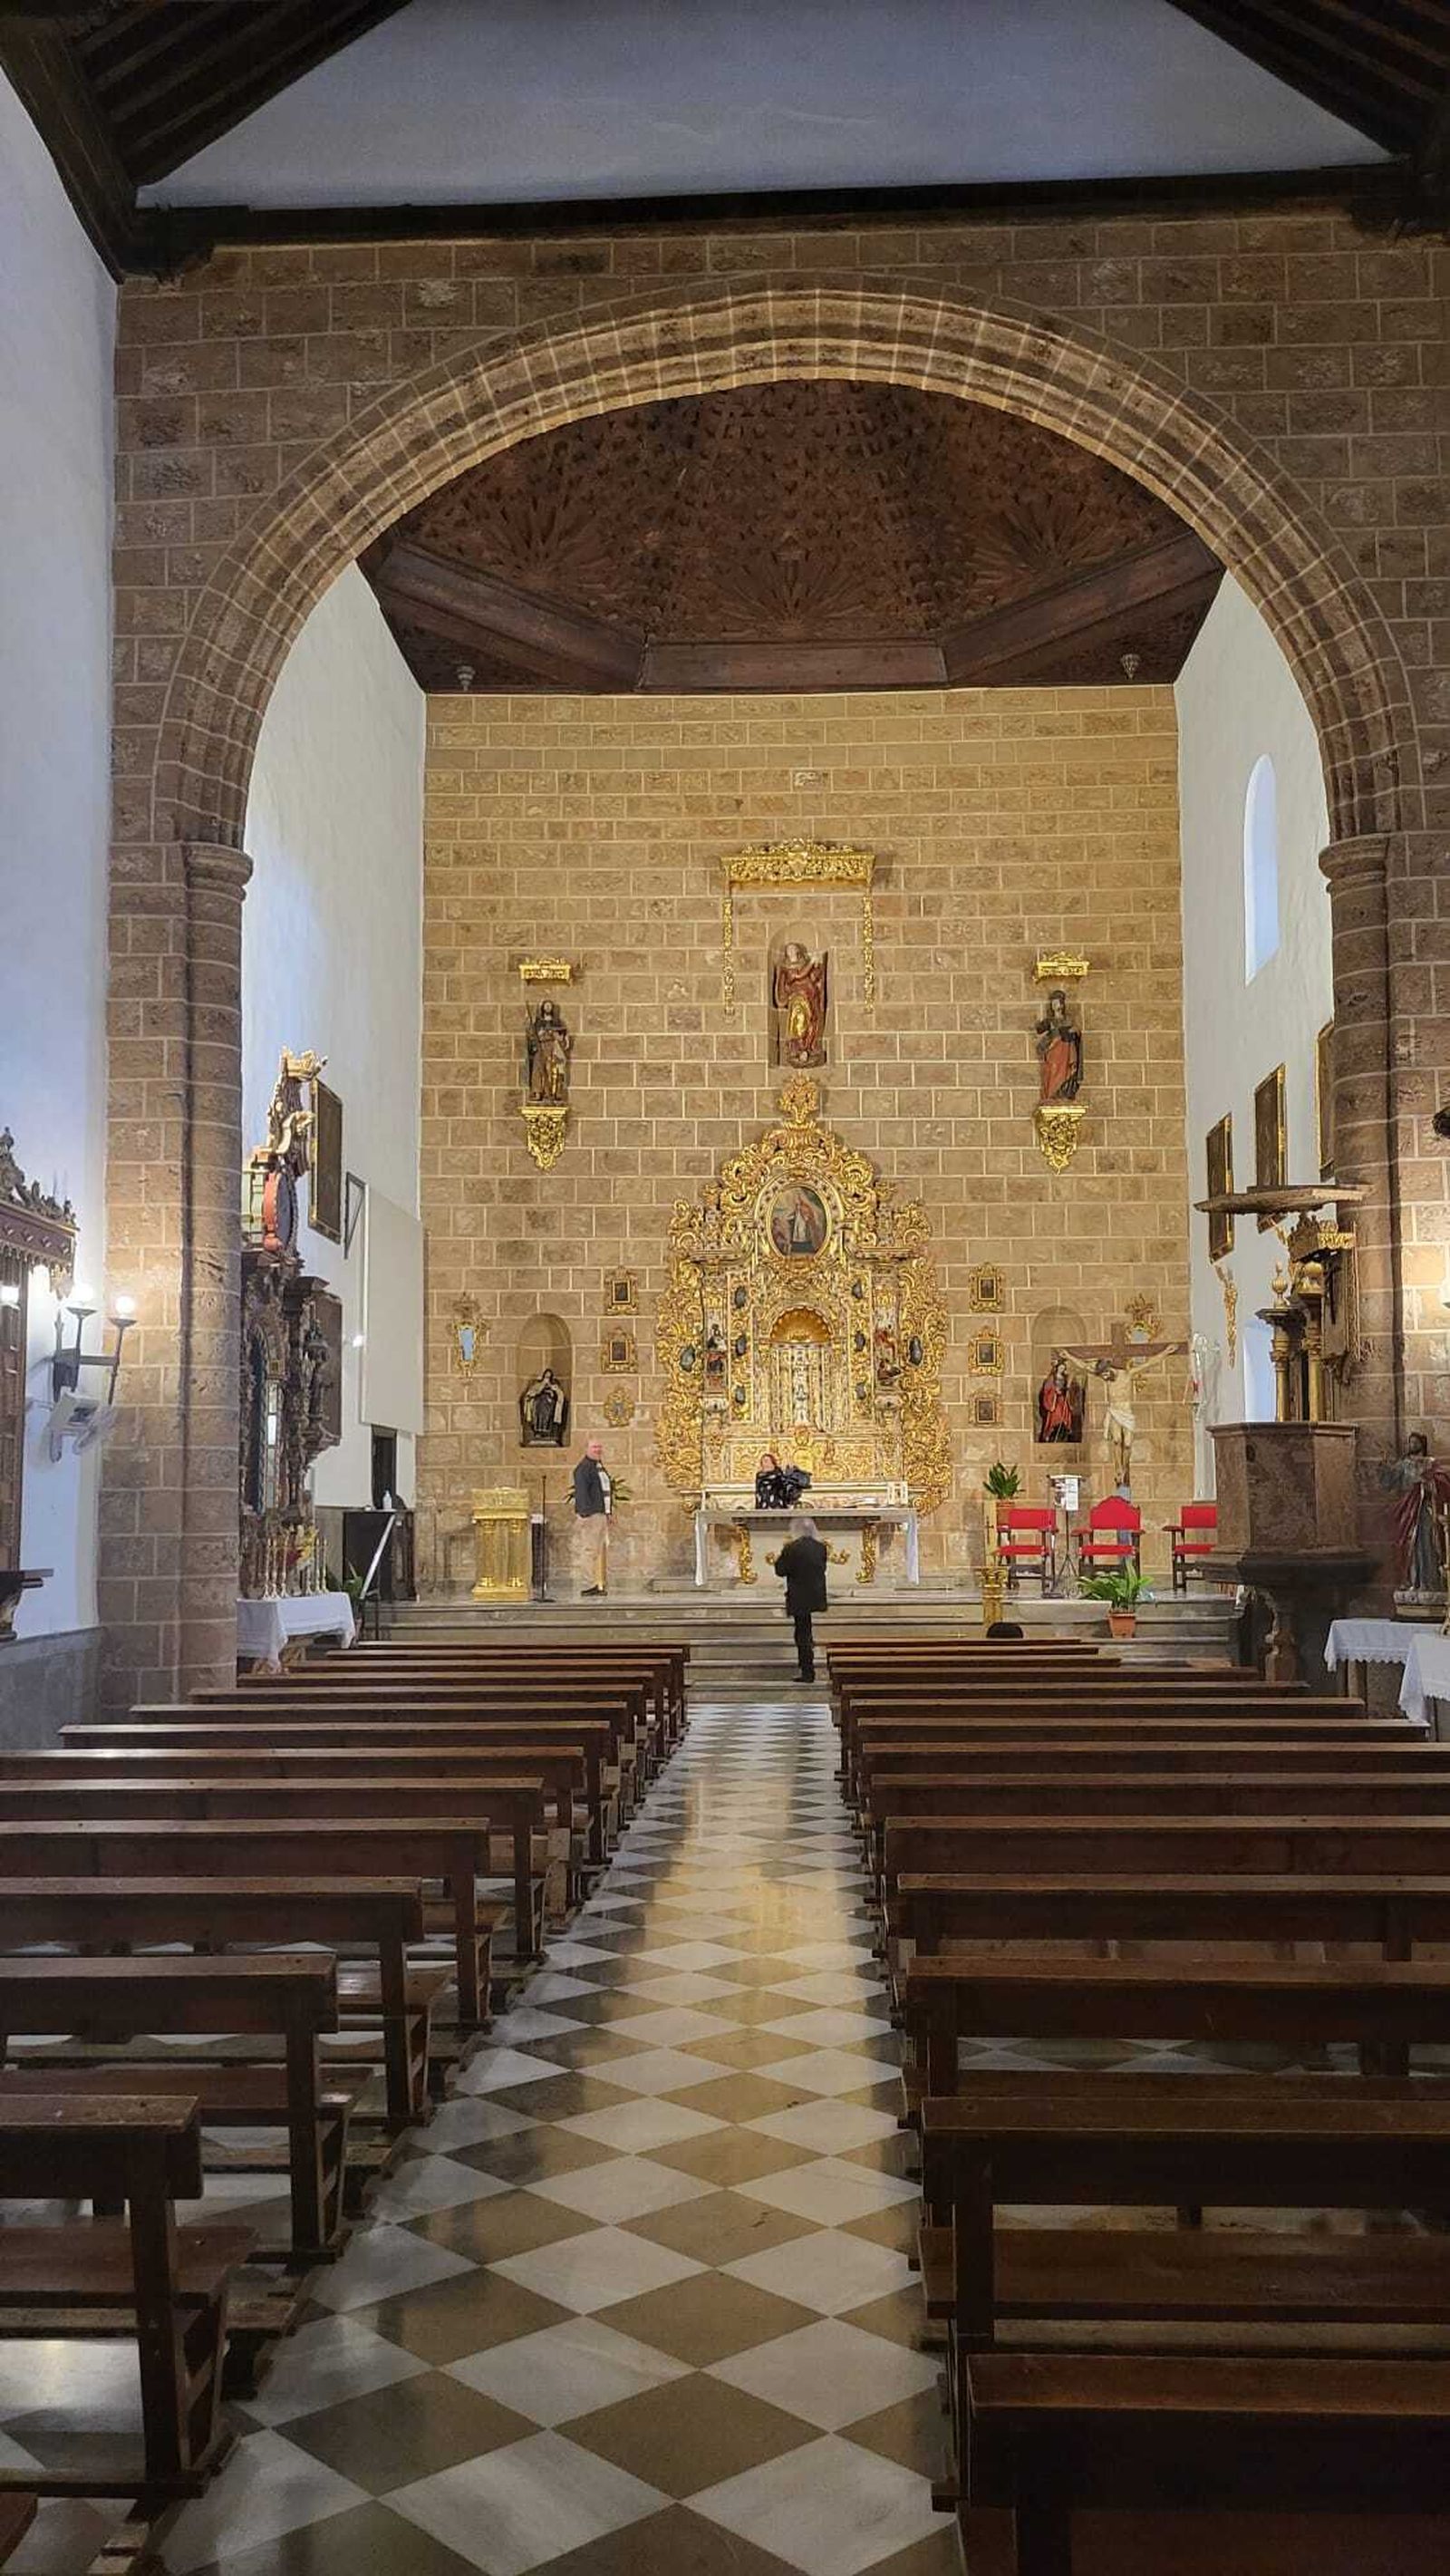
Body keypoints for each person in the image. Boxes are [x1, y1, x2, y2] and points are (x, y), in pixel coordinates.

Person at [774, 1513, 828, 1683]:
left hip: (799, 1594)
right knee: (806, 1632)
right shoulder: (821, 1547)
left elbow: (780, 1570)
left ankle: (807, 1671)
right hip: (816, 1592)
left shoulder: (792, 1548)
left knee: (802, 1634)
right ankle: (807, 1668)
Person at [571, 1438, 612, 1596]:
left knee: (595, 1551)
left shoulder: (598, 1467)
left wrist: (608, 1513)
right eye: (594, 1447)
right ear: (587, 1449)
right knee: (589, 1550)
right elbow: (581, 1493)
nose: (598, 1450)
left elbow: (605, 1491)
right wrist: (585, 1515)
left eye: (599, 1447)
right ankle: (587, 1584)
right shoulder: (583, 1468)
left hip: (600, 1513)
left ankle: (594, 1583)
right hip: (591, 1515)